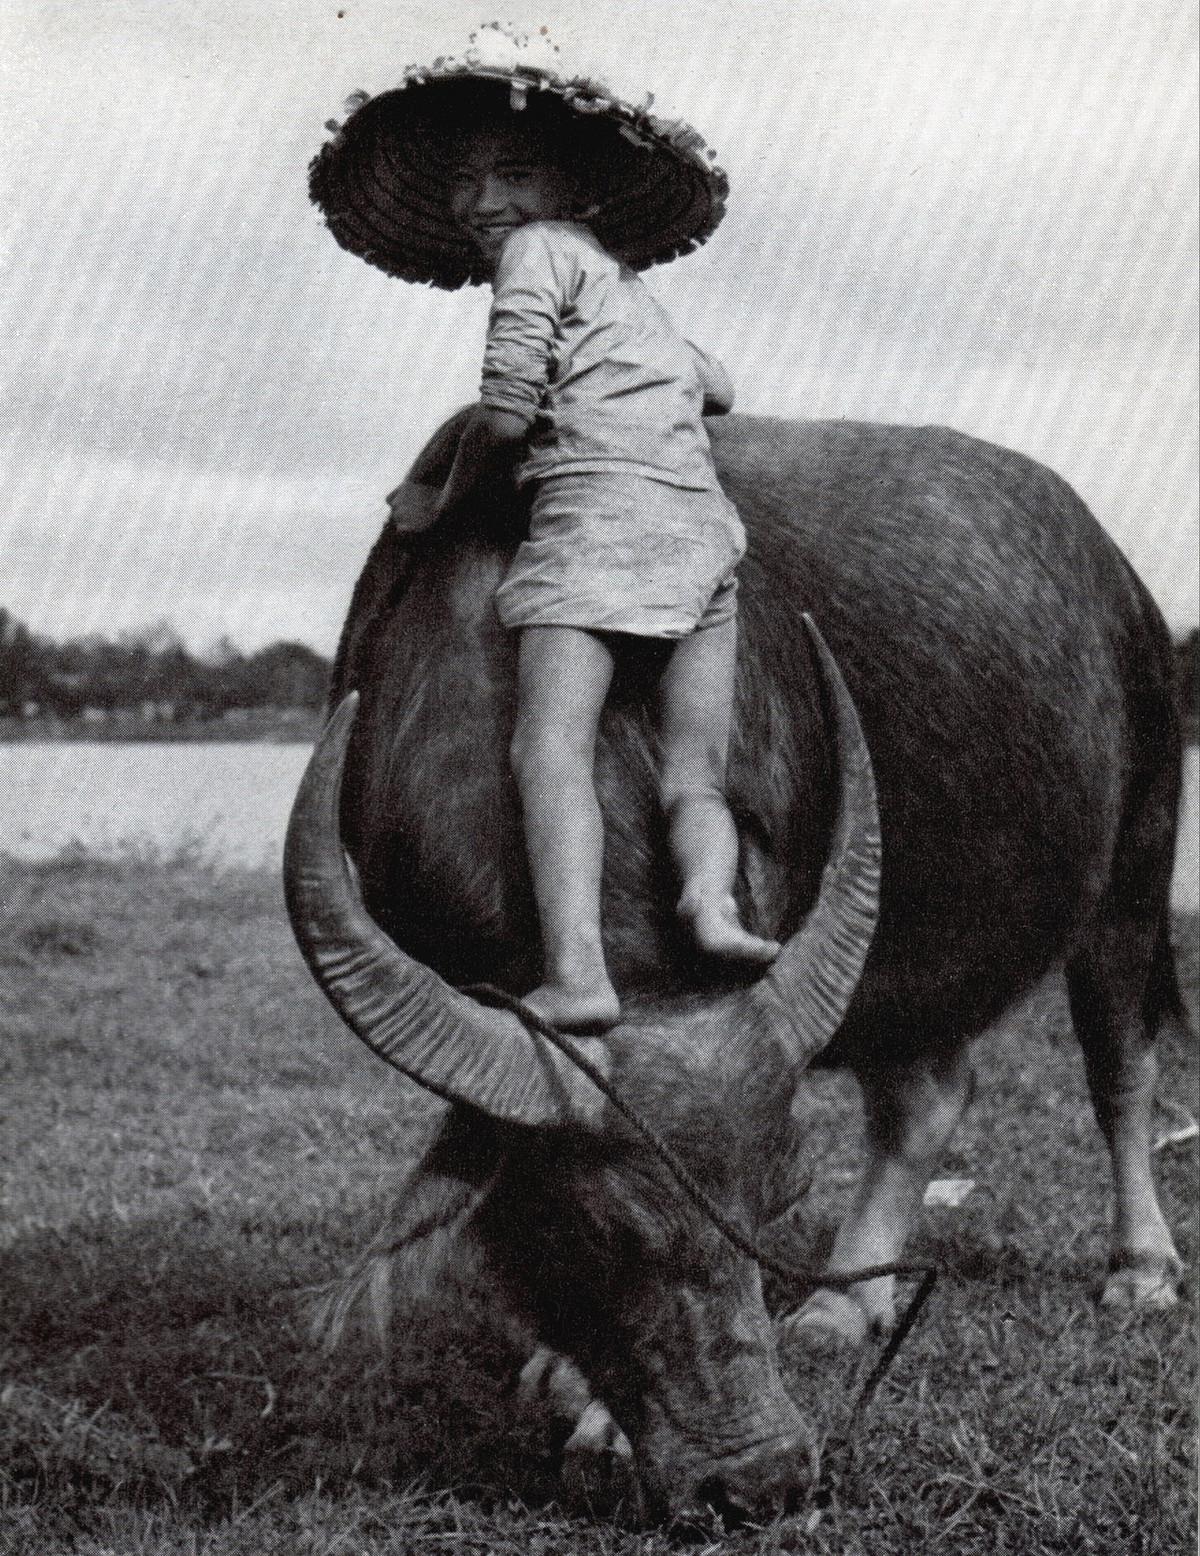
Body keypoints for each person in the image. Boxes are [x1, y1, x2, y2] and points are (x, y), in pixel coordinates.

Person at [312, 24, 779, 1031]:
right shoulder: (632, 292)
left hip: (596, 532)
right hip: (705, 546)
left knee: (549, 750)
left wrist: (438, 500)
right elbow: (721, 386)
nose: (483, 203)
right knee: (695, 770)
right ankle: (712, 903)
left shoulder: (535, 254)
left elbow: (505, 415)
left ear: (571, 188)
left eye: (514, 176)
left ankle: (578, 973)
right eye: (465, 183)